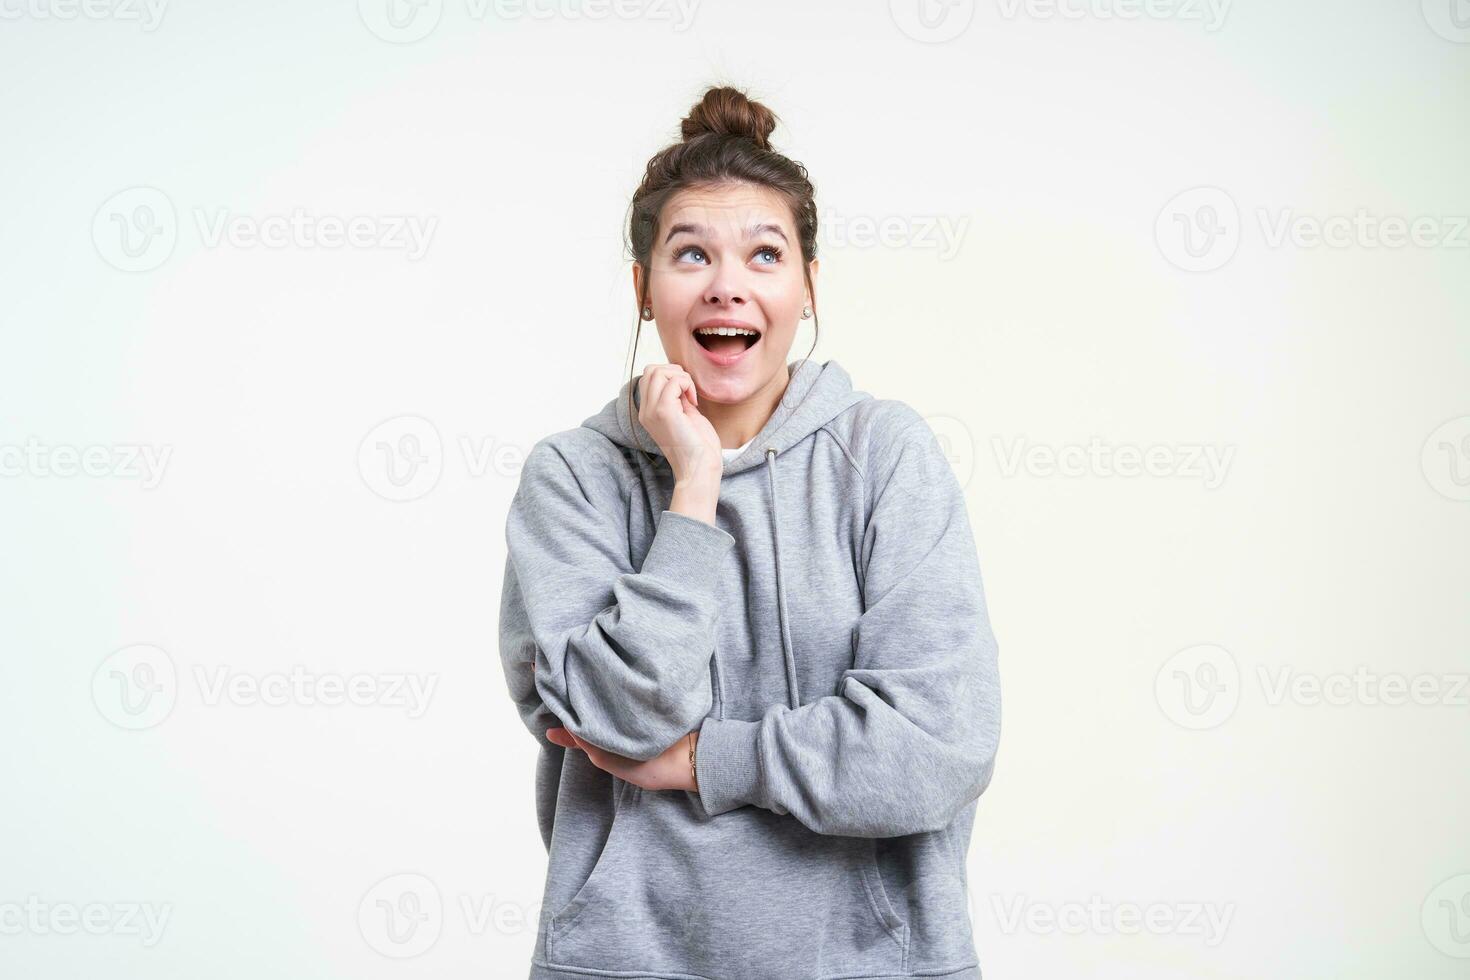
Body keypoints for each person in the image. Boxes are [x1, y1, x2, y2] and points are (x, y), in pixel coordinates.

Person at [499, 83, 1002, 980]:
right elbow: (614, 719)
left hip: (872, 962)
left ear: (808, 287)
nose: (728, 283)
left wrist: (702, 760)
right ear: (644, 292)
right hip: (627, 959)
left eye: (765, 254)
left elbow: (934, 749)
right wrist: (694, 488)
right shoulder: (572, 479)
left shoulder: (884, 458)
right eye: (690, 254)